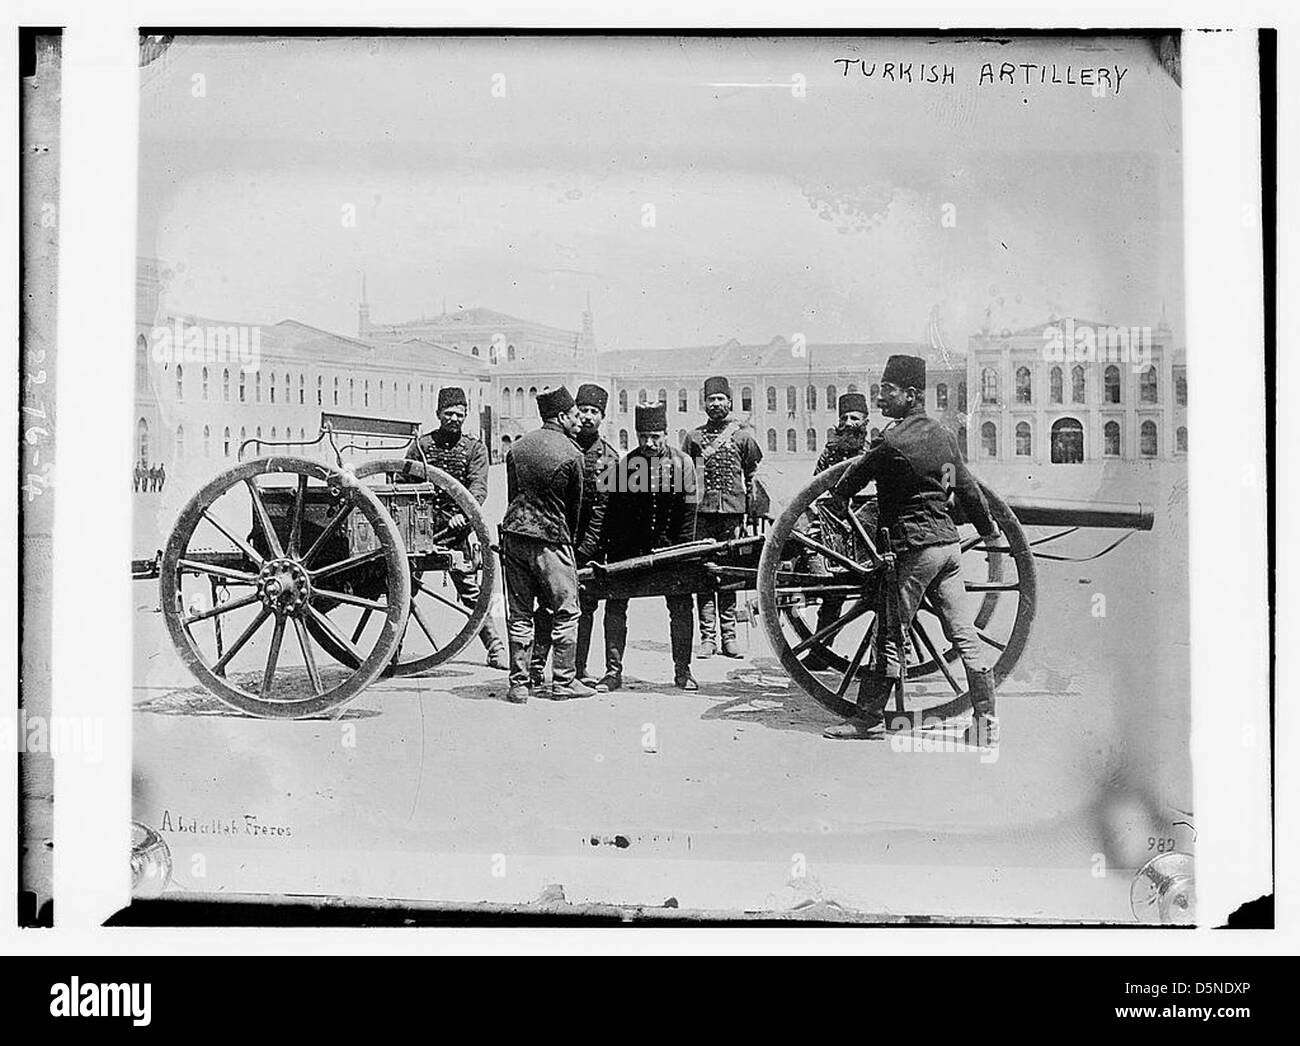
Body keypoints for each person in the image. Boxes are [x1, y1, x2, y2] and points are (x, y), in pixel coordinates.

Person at [820, 354, 1002, 746]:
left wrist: (837, 501)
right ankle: (985, 723)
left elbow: (853, 478)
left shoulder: (891, 440)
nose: (881, 398)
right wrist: (988, 532)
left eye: (888, 391)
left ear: (911, 394)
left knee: (889, 633)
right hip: (949, 550)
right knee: (964, 634)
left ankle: (867, 718)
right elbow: (965, 489)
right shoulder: (943, 436)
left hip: (915, 550)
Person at [499, 386, 593, 703]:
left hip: (513, 536)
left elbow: (513, 495)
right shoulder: (572, 453)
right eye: (576, 415)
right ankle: (564, 682)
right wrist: (571, 546)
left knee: (520, 613)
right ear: (563, 416)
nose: (579, 421)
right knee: (567, 611)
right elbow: (576, 508)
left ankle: (519, 685)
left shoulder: (518, 448)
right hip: (552, 540)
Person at [405, 386, 508, 670]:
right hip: (420, 529)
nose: (453, 419)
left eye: (459, 414)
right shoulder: (422, 446)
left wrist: (464, 514)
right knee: (404, 588)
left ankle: (495, 647)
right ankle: (392, 650)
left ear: (466, 415)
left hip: (456, 531)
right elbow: (403, 483)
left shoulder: (474, 448)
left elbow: (478, 486)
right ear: (438, 414)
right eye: (448, 414)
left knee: (470, 589)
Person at [599, 402, 699, 692]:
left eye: (655, 436)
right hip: (630, 551)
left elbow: (688, 514)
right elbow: (613, 516)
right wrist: (615, 557)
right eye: (643, 436)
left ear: (666, 433)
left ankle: (683, 672)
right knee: (615, 605)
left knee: (681, 606)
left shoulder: (684, 464)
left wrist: (683, 553)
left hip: (672, 552)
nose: (649, 443)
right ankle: (612, 672)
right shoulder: (625, 465)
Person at [531, 383, 619, 688]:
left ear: (602, 417)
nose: (587, 417)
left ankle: (577, 670)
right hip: (556, 538)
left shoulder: (609, 457)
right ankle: (535, 667)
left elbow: (603, 509)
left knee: (585, 607)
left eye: (594, 412)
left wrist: (585, 548)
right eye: (582, 410)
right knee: (547, 603)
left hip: (588, 545)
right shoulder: (558, 445)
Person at [681, 376, 763, 658]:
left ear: (730, 402)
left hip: (732, 514)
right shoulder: (693, 438)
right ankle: (708, 638)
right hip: (702, 514)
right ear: (704, 403)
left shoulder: (743, 437)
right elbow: (686, 477)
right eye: (711, 399)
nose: (716, 404)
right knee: (704, 573)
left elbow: (752, 476)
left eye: (720, 399)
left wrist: (751, 511)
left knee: (728, 573)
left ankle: (729, 637)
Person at [804, 391, 873, 671]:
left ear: (865, 421)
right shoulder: (829, 454)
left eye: (854, 418)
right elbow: (814, 487)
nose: (848, 423)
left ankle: (879, 661)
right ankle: (821, 653)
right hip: (834, 529)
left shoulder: (872, 453)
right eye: (844, 418)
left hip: (867, 532)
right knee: (832, 594)